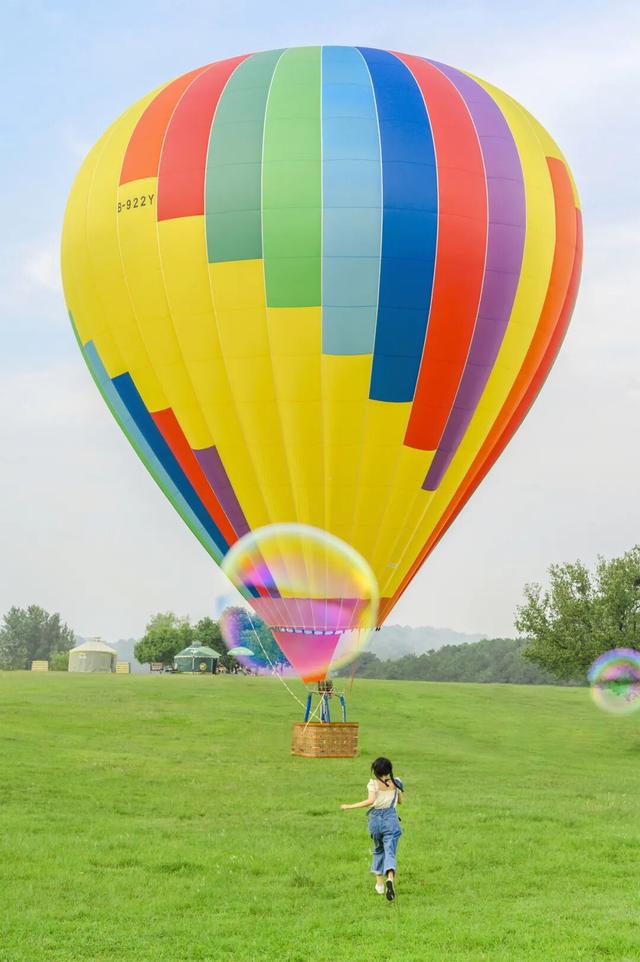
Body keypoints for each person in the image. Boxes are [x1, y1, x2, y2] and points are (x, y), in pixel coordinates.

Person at [340, 756, 404, 901]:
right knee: (390, 851)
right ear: (389, 770)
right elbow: (400, 801)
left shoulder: (373, 784)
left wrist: (349, 806)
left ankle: (379, 883)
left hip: (375, 820)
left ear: (375, 771)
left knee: (378, 849)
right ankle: (390, 878)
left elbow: (370, 801)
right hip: (391, 819)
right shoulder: (397, 782)